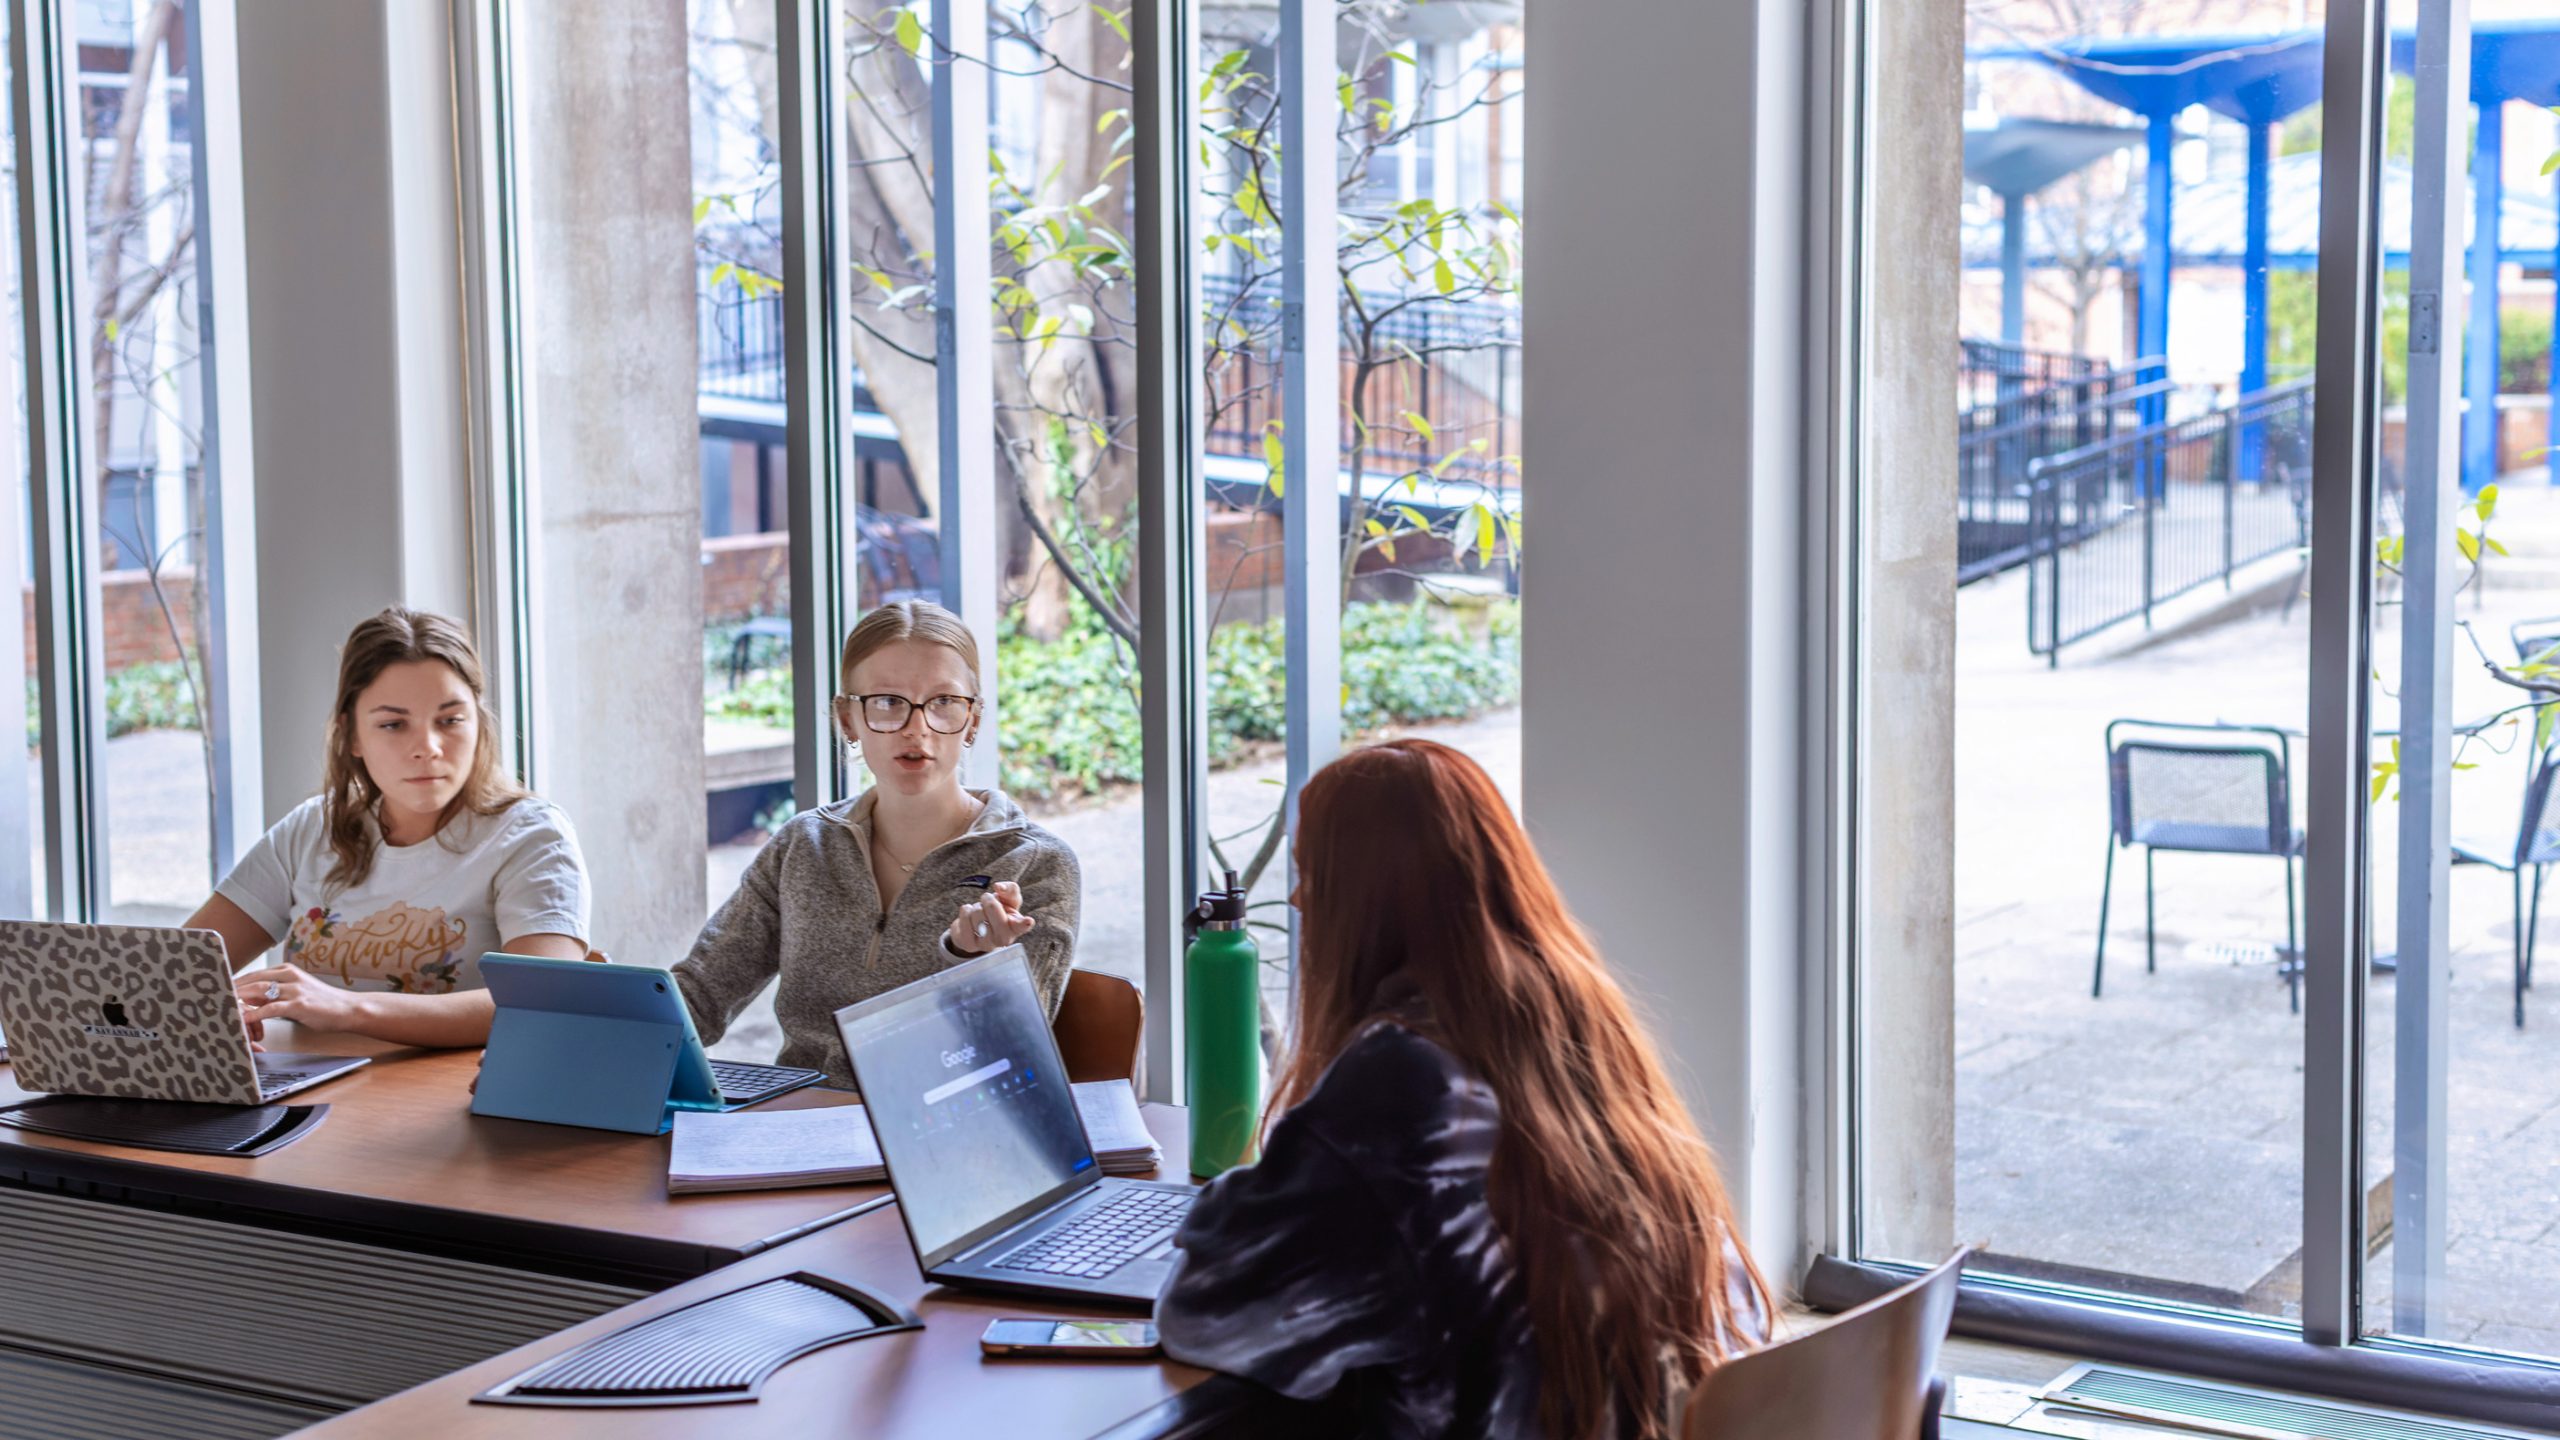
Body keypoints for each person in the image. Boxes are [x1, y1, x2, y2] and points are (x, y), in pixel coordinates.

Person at [1156, 739, 1771, 1440]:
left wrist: (1236, 1197)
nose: (1297, 900)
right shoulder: (1572, 1013)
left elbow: (1203, 1314)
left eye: (1312, 875)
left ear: (1371, 899)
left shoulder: (1400, 1083)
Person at [675, 600, 1081, 1089]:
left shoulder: (1036, 864)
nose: (917, 728)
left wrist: (970, 961)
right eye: (888, 702)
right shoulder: (803, 847)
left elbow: (1013, 1058)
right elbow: (699, 998)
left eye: (943, 702)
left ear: (973, 720)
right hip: (802, 1122)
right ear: (847, 719)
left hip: (946, 1122)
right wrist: (614, 1009)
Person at [185, 608, 591, 1048]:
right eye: (394, 725)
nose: (428, 748)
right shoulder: (310, 829)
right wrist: (225, 1007)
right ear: (352, 735)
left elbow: (541, 1002)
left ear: (478, 723)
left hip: (447, 1090)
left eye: (450, 720)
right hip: (311, 1084)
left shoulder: (532, 836)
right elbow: (173, 972)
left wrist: (347, 1008)